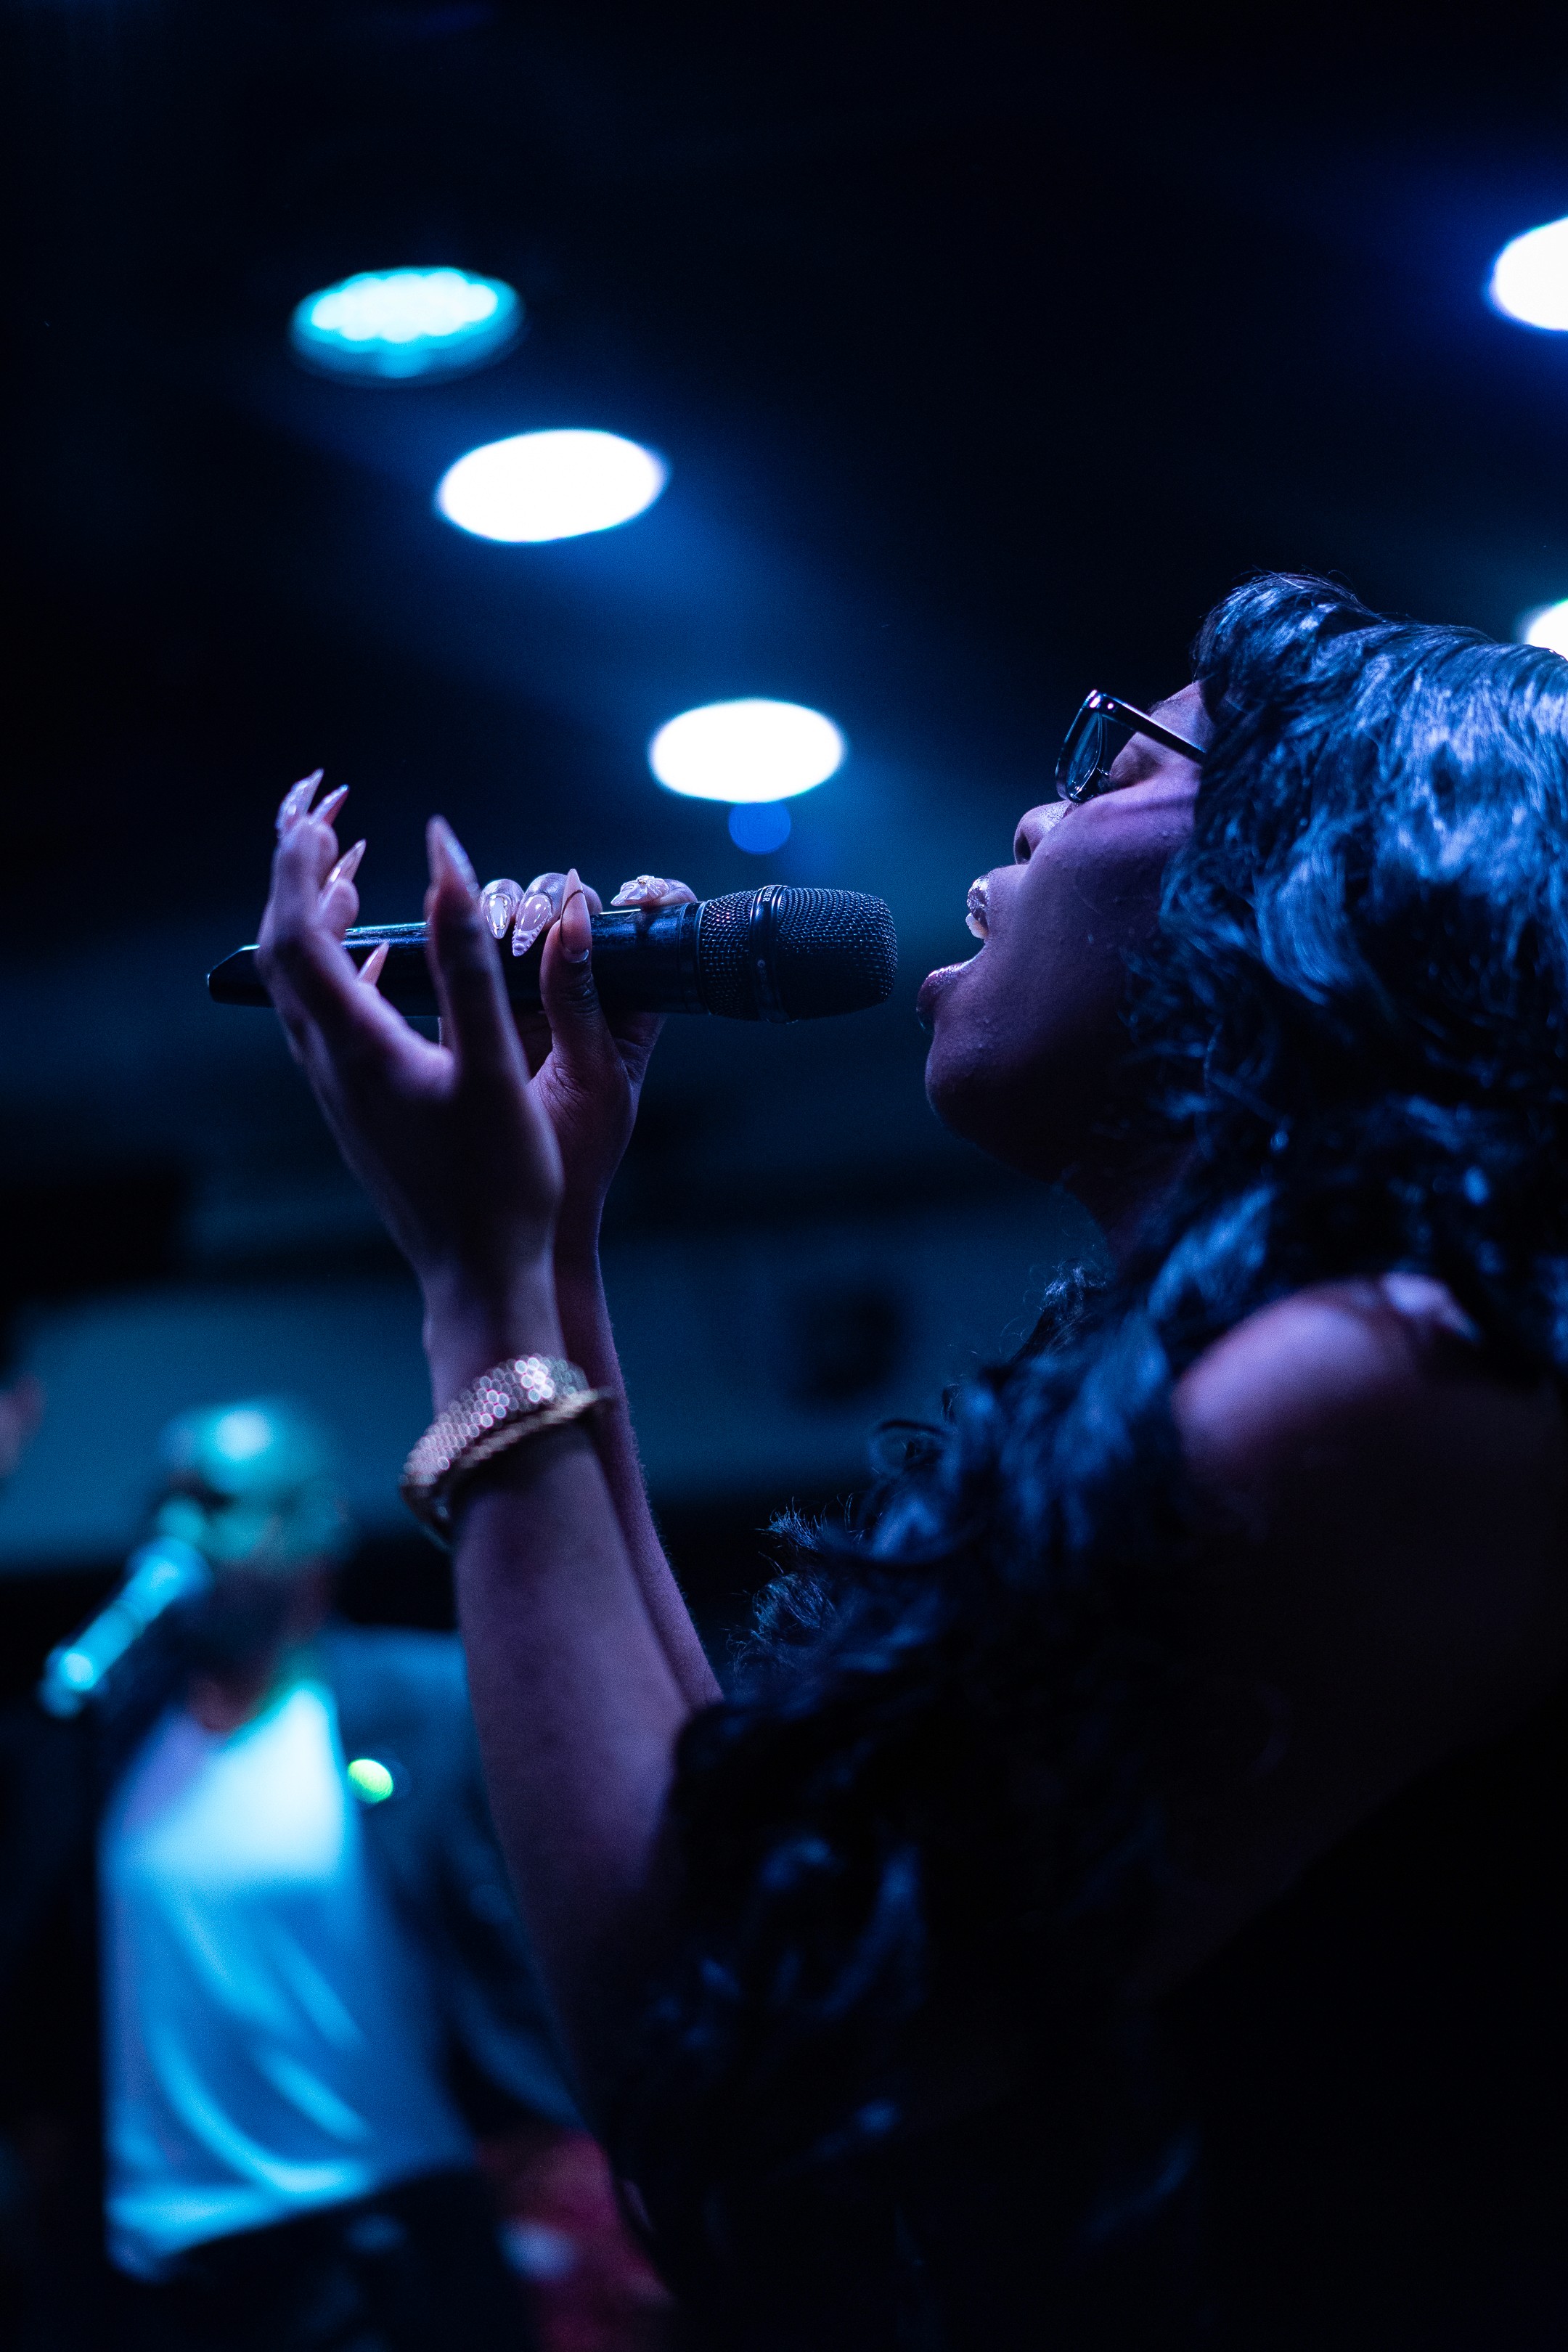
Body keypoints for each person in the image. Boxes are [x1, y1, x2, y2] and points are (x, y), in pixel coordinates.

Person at [253, 575, 1568, 2347]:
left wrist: (478, 1289)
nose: (1031, 815)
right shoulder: (1254, 1360)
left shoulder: (1398, 1382)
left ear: (1333, 865)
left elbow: (721, 2066)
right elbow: (739, 1881)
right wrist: (545, 1249)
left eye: (1117, 764)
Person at [0, 1396, 584, 2352]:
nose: (175, 1533)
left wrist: (539, 2126)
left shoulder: (424, 1708)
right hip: (156, 2263)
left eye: (214, 1504)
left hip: (375, 2252)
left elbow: (528, 1933)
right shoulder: (100, 1744)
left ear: (317, 1523)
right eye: (162, 1502)